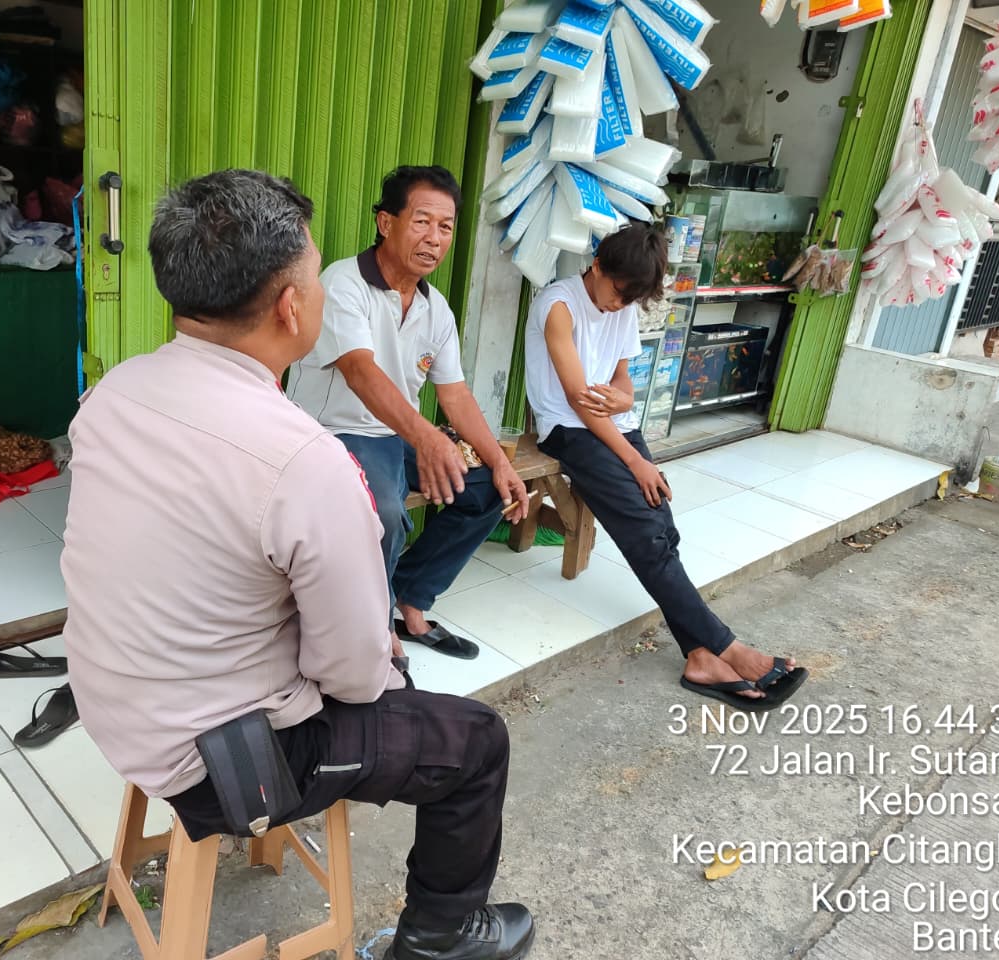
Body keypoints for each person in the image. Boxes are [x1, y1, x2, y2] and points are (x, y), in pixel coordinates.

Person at [61, 169, 535, 960]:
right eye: (314, 276)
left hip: (111, 702)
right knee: (475, 741)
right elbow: (352, 677)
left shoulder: (115, 391)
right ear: (291, 307)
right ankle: (439, 937)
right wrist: (379, 657)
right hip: (220, 763)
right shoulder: (303, 460)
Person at [523, 223, 807, 710]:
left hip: (614, 425)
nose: (620, 304)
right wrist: (636, 461)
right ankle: (728, 648)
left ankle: (700, 657)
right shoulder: (559, 306)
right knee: (647, 534)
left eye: (631, 298)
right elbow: (577, 400)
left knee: (662, 529)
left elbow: (622, 384)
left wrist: (623, 399)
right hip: (568, 429)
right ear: (597, 266)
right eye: (618, 292)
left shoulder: (624, 305)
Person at [286, 165, 529, 661]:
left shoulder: (435, 308)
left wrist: (499, 461)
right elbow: (360, 371)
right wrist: (428, 439)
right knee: (385, 512)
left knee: (487, 491)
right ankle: (373, 632)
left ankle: (411, 600)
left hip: (397, 433)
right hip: (334, 431)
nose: (434, 239)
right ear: (386, 222)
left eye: (445, 227)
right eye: (422, 222)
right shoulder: (343, 283)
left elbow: (455, 395)